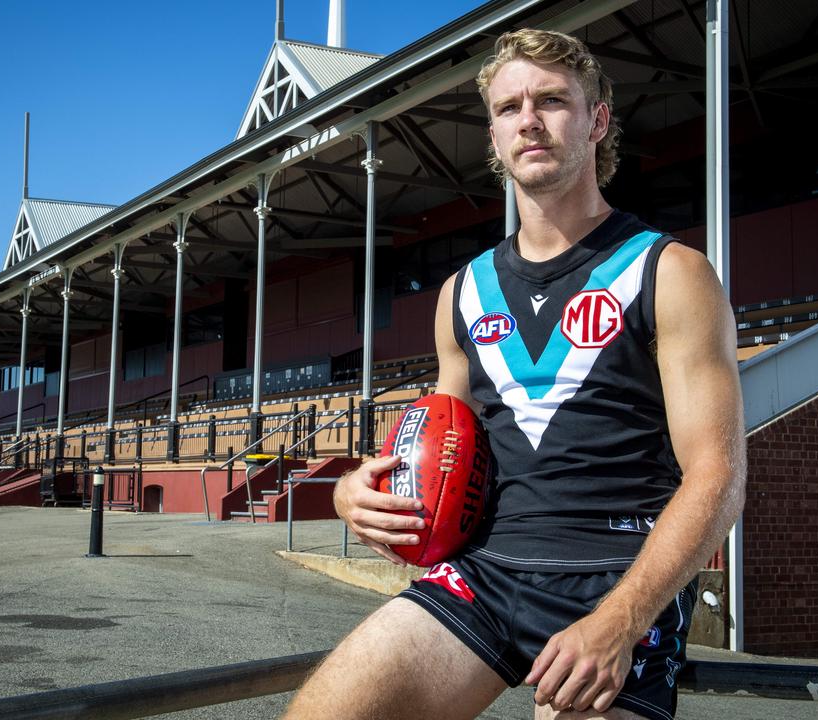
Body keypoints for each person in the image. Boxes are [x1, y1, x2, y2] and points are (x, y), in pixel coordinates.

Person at [284, 28, 745, 720]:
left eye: (552, 100)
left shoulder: (670, 272)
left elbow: (719, 476)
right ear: (494, 138)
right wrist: (362, 490)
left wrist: (620, 621)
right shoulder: (461, 293)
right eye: (508, 108)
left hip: (616, 580)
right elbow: (439, 447)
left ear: (597, 121)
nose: (528, 119)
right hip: (486, 575)